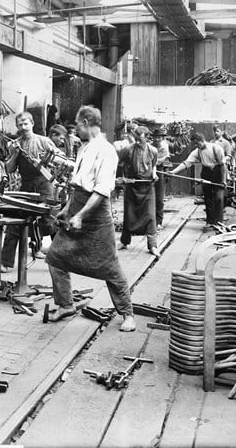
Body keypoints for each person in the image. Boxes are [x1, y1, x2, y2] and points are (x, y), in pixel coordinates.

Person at [44, 105, 136, 332]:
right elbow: (78, 185)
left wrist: (81, 215)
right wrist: (67, 210)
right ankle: (65, 304)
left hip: (96, 213)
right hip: (78, 205)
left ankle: (127, 314)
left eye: (78, 126)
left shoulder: (106, 150)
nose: (76, 131)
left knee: (110, 266)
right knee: (55, 257)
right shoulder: (84, 148)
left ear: (86, 122)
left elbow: (102, 190)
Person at [1, 111, 58, 272]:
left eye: (26, 123)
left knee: (50, 220)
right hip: (26, 185)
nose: (23, 127)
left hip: (44, 185)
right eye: (20, 125)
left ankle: (63, 259)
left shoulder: (45, 142)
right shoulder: (14, 145)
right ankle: (6, 262)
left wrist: (45, 162)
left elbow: (59, 162)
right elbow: (10, 169)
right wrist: (15, 154)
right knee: (15, 221)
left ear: (32, 123)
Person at [117, 126, 160, 258]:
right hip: (132, 185)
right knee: (129, 215)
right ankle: (124, 241)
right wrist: (122, 178)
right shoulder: (128, 149)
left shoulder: (153, 150)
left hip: (147, 186)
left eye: (140, 138)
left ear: (147, 138)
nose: (137, 141)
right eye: (136, 138)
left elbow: (154, 165)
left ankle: (152, 245)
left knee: (151, 216)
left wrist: (154, 174)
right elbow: (117, 162)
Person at [171, 132, 226, 227]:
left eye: (197, 143)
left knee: (218, 198)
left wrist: (224, 180)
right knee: (208, 198)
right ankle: (210, 221)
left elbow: (223, 165)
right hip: (206, 172)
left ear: (203, 140)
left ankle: (218, 222)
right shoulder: (197, 152)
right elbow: (186, 163)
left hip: (218, 172)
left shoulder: (216, 148)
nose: (196, 145)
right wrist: (173, 172)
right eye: (195, 144)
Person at [152, 127, 171, 230]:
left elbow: (159, 161)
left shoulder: (164, 147)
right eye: (155, 137)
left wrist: (151, 162)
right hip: (149, 170)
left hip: (160, 170)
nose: (157, 139)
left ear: (162, 138)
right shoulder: (150, 146)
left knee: (159, 198)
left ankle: (159, 221)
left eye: (159, 138)